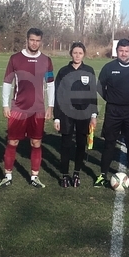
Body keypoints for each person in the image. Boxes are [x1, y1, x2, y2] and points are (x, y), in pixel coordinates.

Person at [0, 28, 54, 189]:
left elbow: (50, 84)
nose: (34, 43)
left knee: (36, 142)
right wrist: (5, 104)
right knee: (12, 141)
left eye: (37, 40)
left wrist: (51, 105)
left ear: (41, 41)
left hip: (38, 109)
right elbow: (7, 82)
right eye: (32, 40)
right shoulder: (15, 59)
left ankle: (34, 176)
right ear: (27, 40)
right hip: (18, 108)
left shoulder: (46, 60)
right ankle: (7, 175)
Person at [94, 38, 129, 188]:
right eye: (121, 51)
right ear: (116, 51)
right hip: (113, 111)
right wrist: (111, 99)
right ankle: (102, 175)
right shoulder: (108, 67)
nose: (123, 54)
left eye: (126, 51)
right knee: (109, 143)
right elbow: (100, 87)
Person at [53, 42, 98, 188]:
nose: (77, 55)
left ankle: (76, 173)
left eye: (80, 53)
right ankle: (65, 175)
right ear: (71, 54)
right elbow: (57, 95)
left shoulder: (89, 70)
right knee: (66, 144)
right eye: (75, 53)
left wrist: (94, 115)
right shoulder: (63, 71)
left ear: (84, 54)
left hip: (84, 114)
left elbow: (93, 95)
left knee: (80, 144)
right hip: (66, 113)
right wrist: (57, 117)